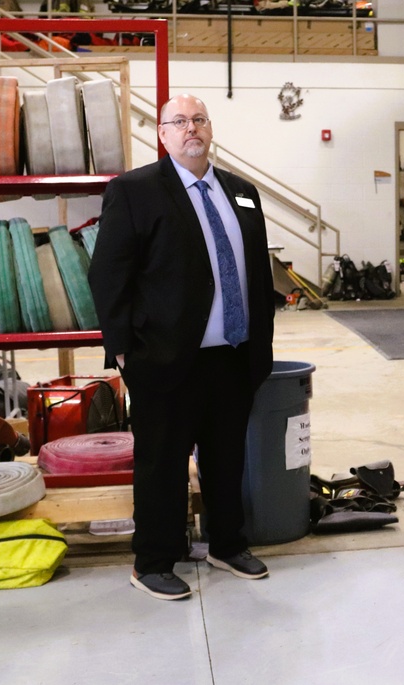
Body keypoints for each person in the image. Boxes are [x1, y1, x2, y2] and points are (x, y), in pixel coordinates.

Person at [89, 94, 275, 600]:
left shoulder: (241, 192)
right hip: (165, 357)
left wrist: (263, 343)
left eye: (198, 119)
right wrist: (124, 349)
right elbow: (108, 275)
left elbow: (257, 272)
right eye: (178, 122)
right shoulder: (135, 190)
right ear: (163, 135)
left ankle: (226, 543)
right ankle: (152, 560)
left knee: (226, 455)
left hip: (232, 355)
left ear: (210, 129)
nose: (190, 128)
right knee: (162, 462)